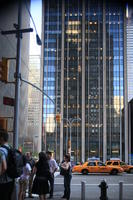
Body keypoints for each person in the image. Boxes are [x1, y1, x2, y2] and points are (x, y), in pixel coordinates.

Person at [0, 128, 14, 200]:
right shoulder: (10, 148)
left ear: (1, 138)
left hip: (3, 181)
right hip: (11, 179)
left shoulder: (1, 150)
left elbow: (4, 168)